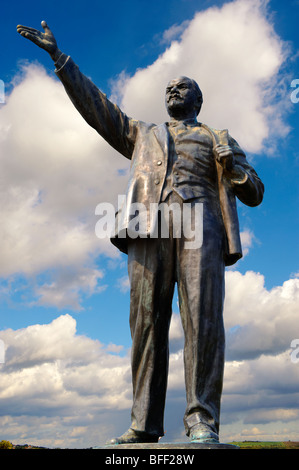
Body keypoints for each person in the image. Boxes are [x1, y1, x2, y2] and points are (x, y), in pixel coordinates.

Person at [17, 21, 264, 445]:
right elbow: (99, 109)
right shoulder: (142, 133)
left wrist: (235, 167)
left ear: (198, 100)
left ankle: (202, 419)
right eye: (168, 88)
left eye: (181, 87)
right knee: (146, 322)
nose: (172, 92)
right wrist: (61, 61)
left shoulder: (218, 137)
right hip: (150, 227)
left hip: (201, 225)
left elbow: (255, 192)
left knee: (203, 324)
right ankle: (144, 422)